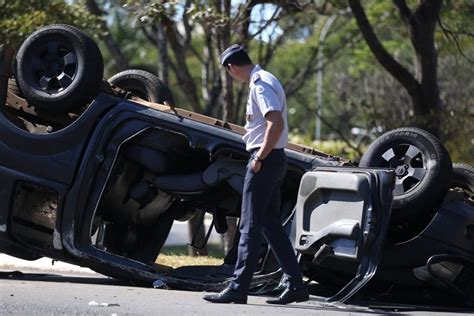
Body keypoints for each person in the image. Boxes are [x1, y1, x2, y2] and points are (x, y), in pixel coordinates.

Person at [203, 44, 309, 305]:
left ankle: (238, 288)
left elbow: (275, 122)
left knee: (249, 226)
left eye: (229, 73)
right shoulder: (266, 79)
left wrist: (259, 157)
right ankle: (296, 284)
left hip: (266, 160)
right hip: (274, 159)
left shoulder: (260, 84)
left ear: (232, 67)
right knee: (271, 226)